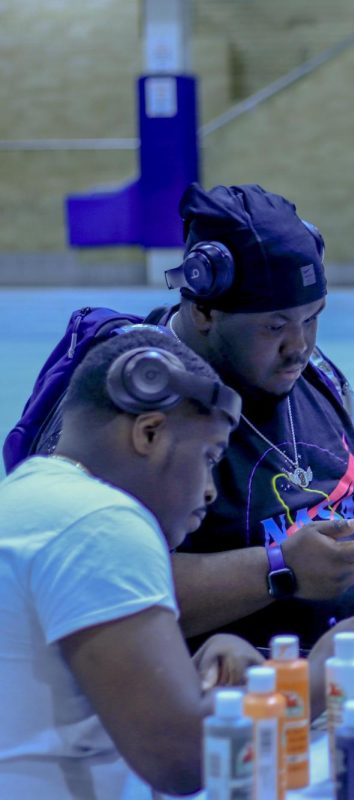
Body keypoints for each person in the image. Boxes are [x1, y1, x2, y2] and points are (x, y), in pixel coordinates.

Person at [156, 183, 354, 653]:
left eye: (313, 318)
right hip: (244, 693)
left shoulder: (316, 369)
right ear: (204, 308)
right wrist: (279, 570)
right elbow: (116, 593)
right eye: (275, 325)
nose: (299, 346)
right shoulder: (143, 399)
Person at [0, 328, 256, 797]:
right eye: (208, 457)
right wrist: (318, 680)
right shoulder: (101, 522)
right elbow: (185, 761)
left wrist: (193, 676)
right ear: (150, 433)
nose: (209, 490)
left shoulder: (31, 494)